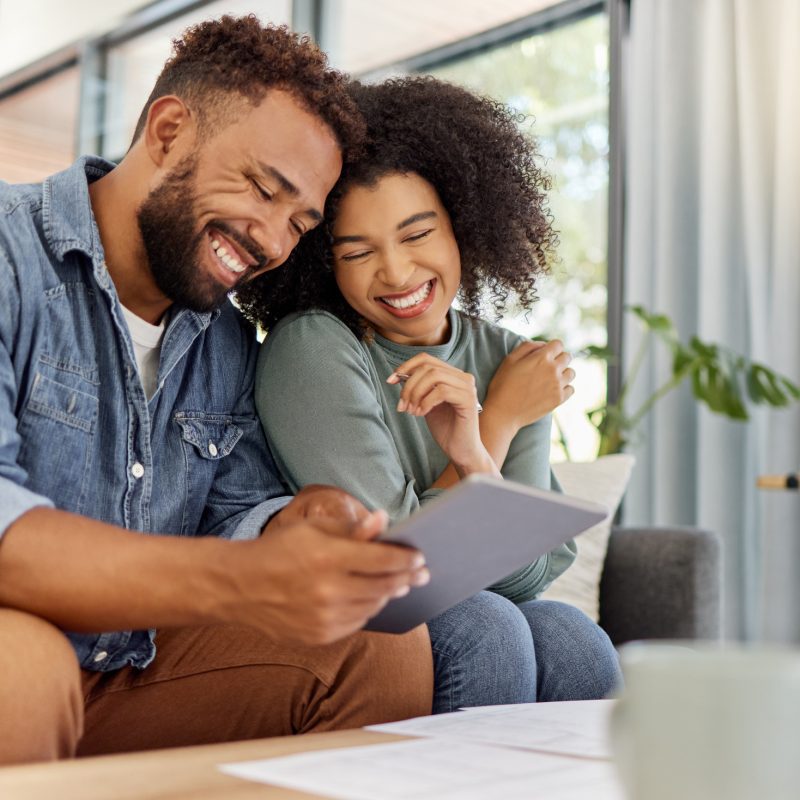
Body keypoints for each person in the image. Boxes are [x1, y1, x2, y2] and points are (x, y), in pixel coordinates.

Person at [0, 17, 438, 765]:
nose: (271, 240)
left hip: (123, 674)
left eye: (300, 223)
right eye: (264, 189)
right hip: (19, 657)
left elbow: (237, 509)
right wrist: (244, 580)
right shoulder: (11, 254)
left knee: (380, 642)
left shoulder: (224, 339)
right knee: (25, 667)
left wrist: (299, 521)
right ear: (168, 131)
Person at [239, 77, 622, 711]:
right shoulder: (313, 347)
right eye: (357, 251)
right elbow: (399, 571)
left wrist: (474, 457)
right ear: (324, 263)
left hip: (469, 609)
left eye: (417, 235)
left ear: (463, 227)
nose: (395, 272)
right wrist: (495, 423)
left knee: (570, 635)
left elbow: (528, 575)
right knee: (484, 626)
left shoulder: (507, 356)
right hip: (347, 620)